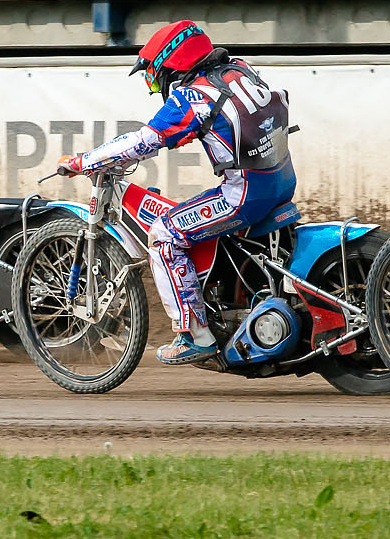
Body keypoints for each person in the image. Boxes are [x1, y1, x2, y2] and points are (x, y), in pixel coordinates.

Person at [59, 20, 294, 366]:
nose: (154, 87)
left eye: (153, 76)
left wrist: (85, 161)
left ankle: (195, 336)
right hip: (283, 179)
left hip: (245, 194)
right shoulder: (238, 70)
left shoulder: (194, 95)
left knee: (165, 233)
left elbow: (146, 140)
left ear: (172, 64)